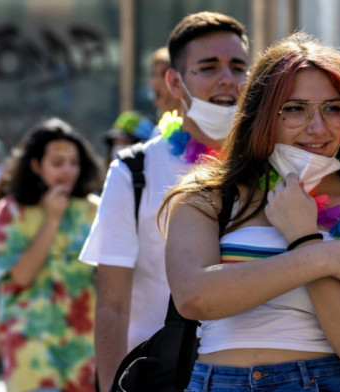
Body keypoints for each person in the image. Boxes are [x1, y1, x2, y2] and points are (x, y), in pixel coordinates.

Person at [160, 32, 340, 391]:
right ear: (261, 115)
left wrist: (304, 238)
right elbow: (194, 297)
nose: (318, 127)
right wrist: (322, 259)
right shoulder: (208, 197)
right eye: (295, 109)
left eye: (333, 108)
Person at [78, 11, 249, 391]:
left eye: (238, 67)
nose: (227, 79)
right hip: (159, 377)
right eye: (208, 67)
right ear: (174, 81)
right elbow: (111, 303)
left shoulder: (269, 167)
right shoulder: (133, 172)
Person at [0, 118, 102, 392]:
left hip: (82, 352)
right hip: (32, 352)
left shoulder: (94, 210)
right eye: (58, 163)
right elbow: (21, 277)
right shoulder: (11, 212)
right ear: (36, 165)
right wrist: (52, 220)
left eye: (73, 163)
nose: (68, 171)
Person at [150, 46, 183, 120]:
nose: (155, 83)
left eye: (164, 74)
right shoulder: (155, 129)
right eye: (153, 74)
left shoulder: (194, 128)